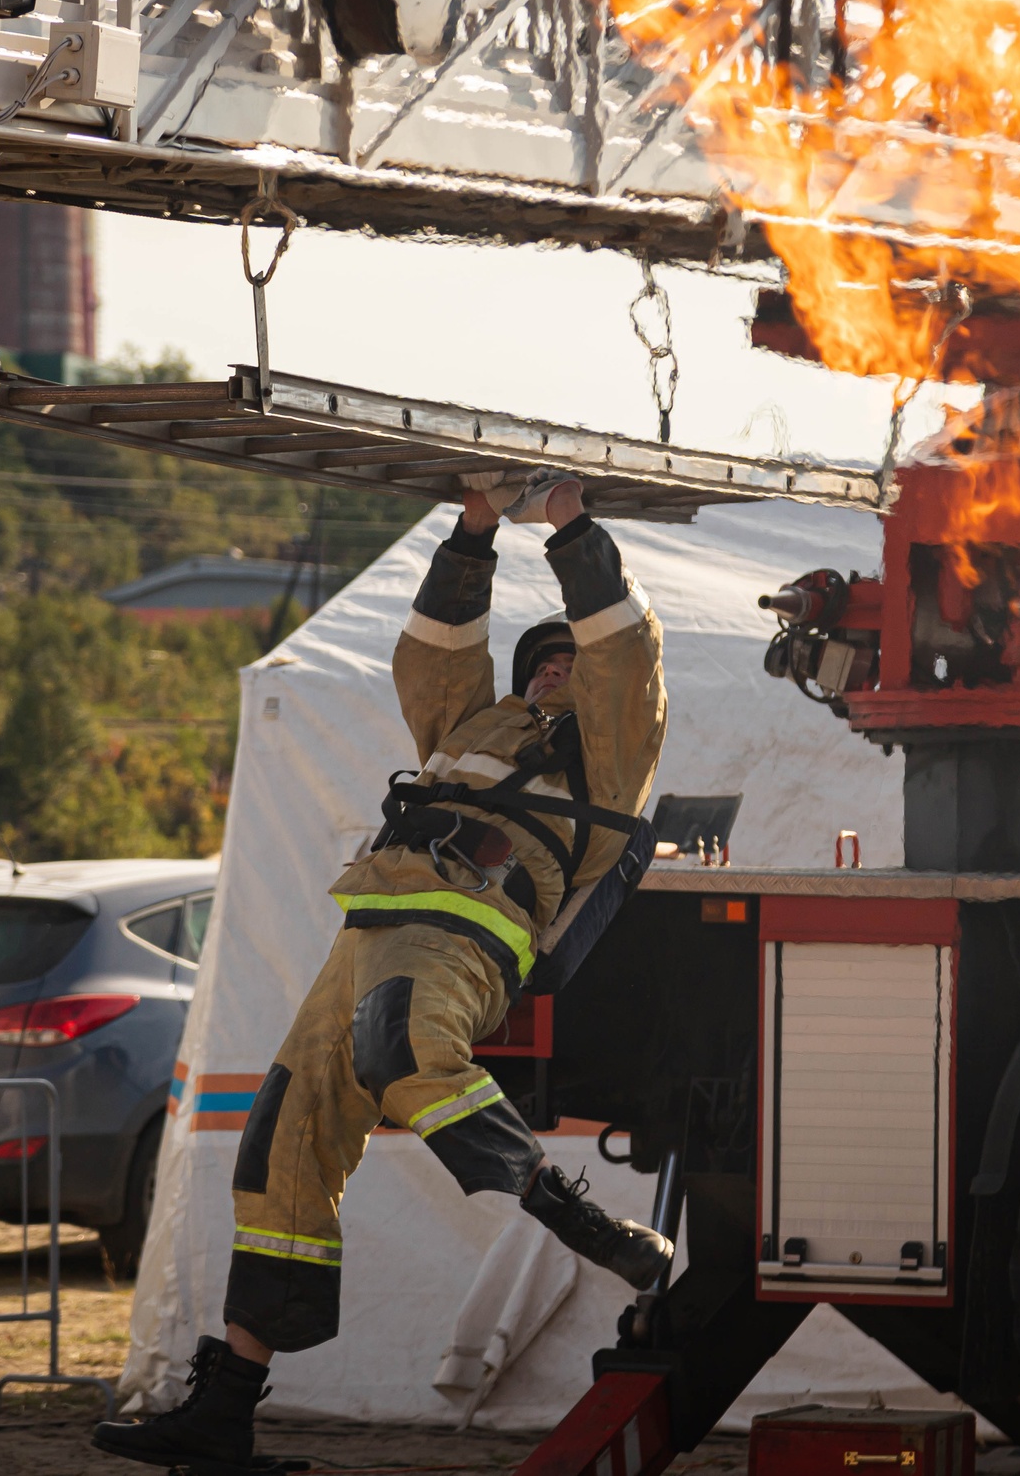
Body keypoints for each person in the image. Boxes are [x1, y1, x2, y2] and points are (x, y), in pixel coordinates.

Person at [96, 477, 672, 1472]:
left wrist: (571, 526)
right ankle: (225, 1411)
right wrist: (475, 531)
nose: (551, 673)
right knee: (283, 1147)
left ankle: (573, 1216)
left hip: (465, 927)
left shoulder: (611, 755)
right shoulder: (474, 729)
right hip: (369, 925)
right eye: (540, 663)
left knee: (407, 1049)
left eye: (566, 665)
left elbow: (626, 650)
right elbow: (438, 653)